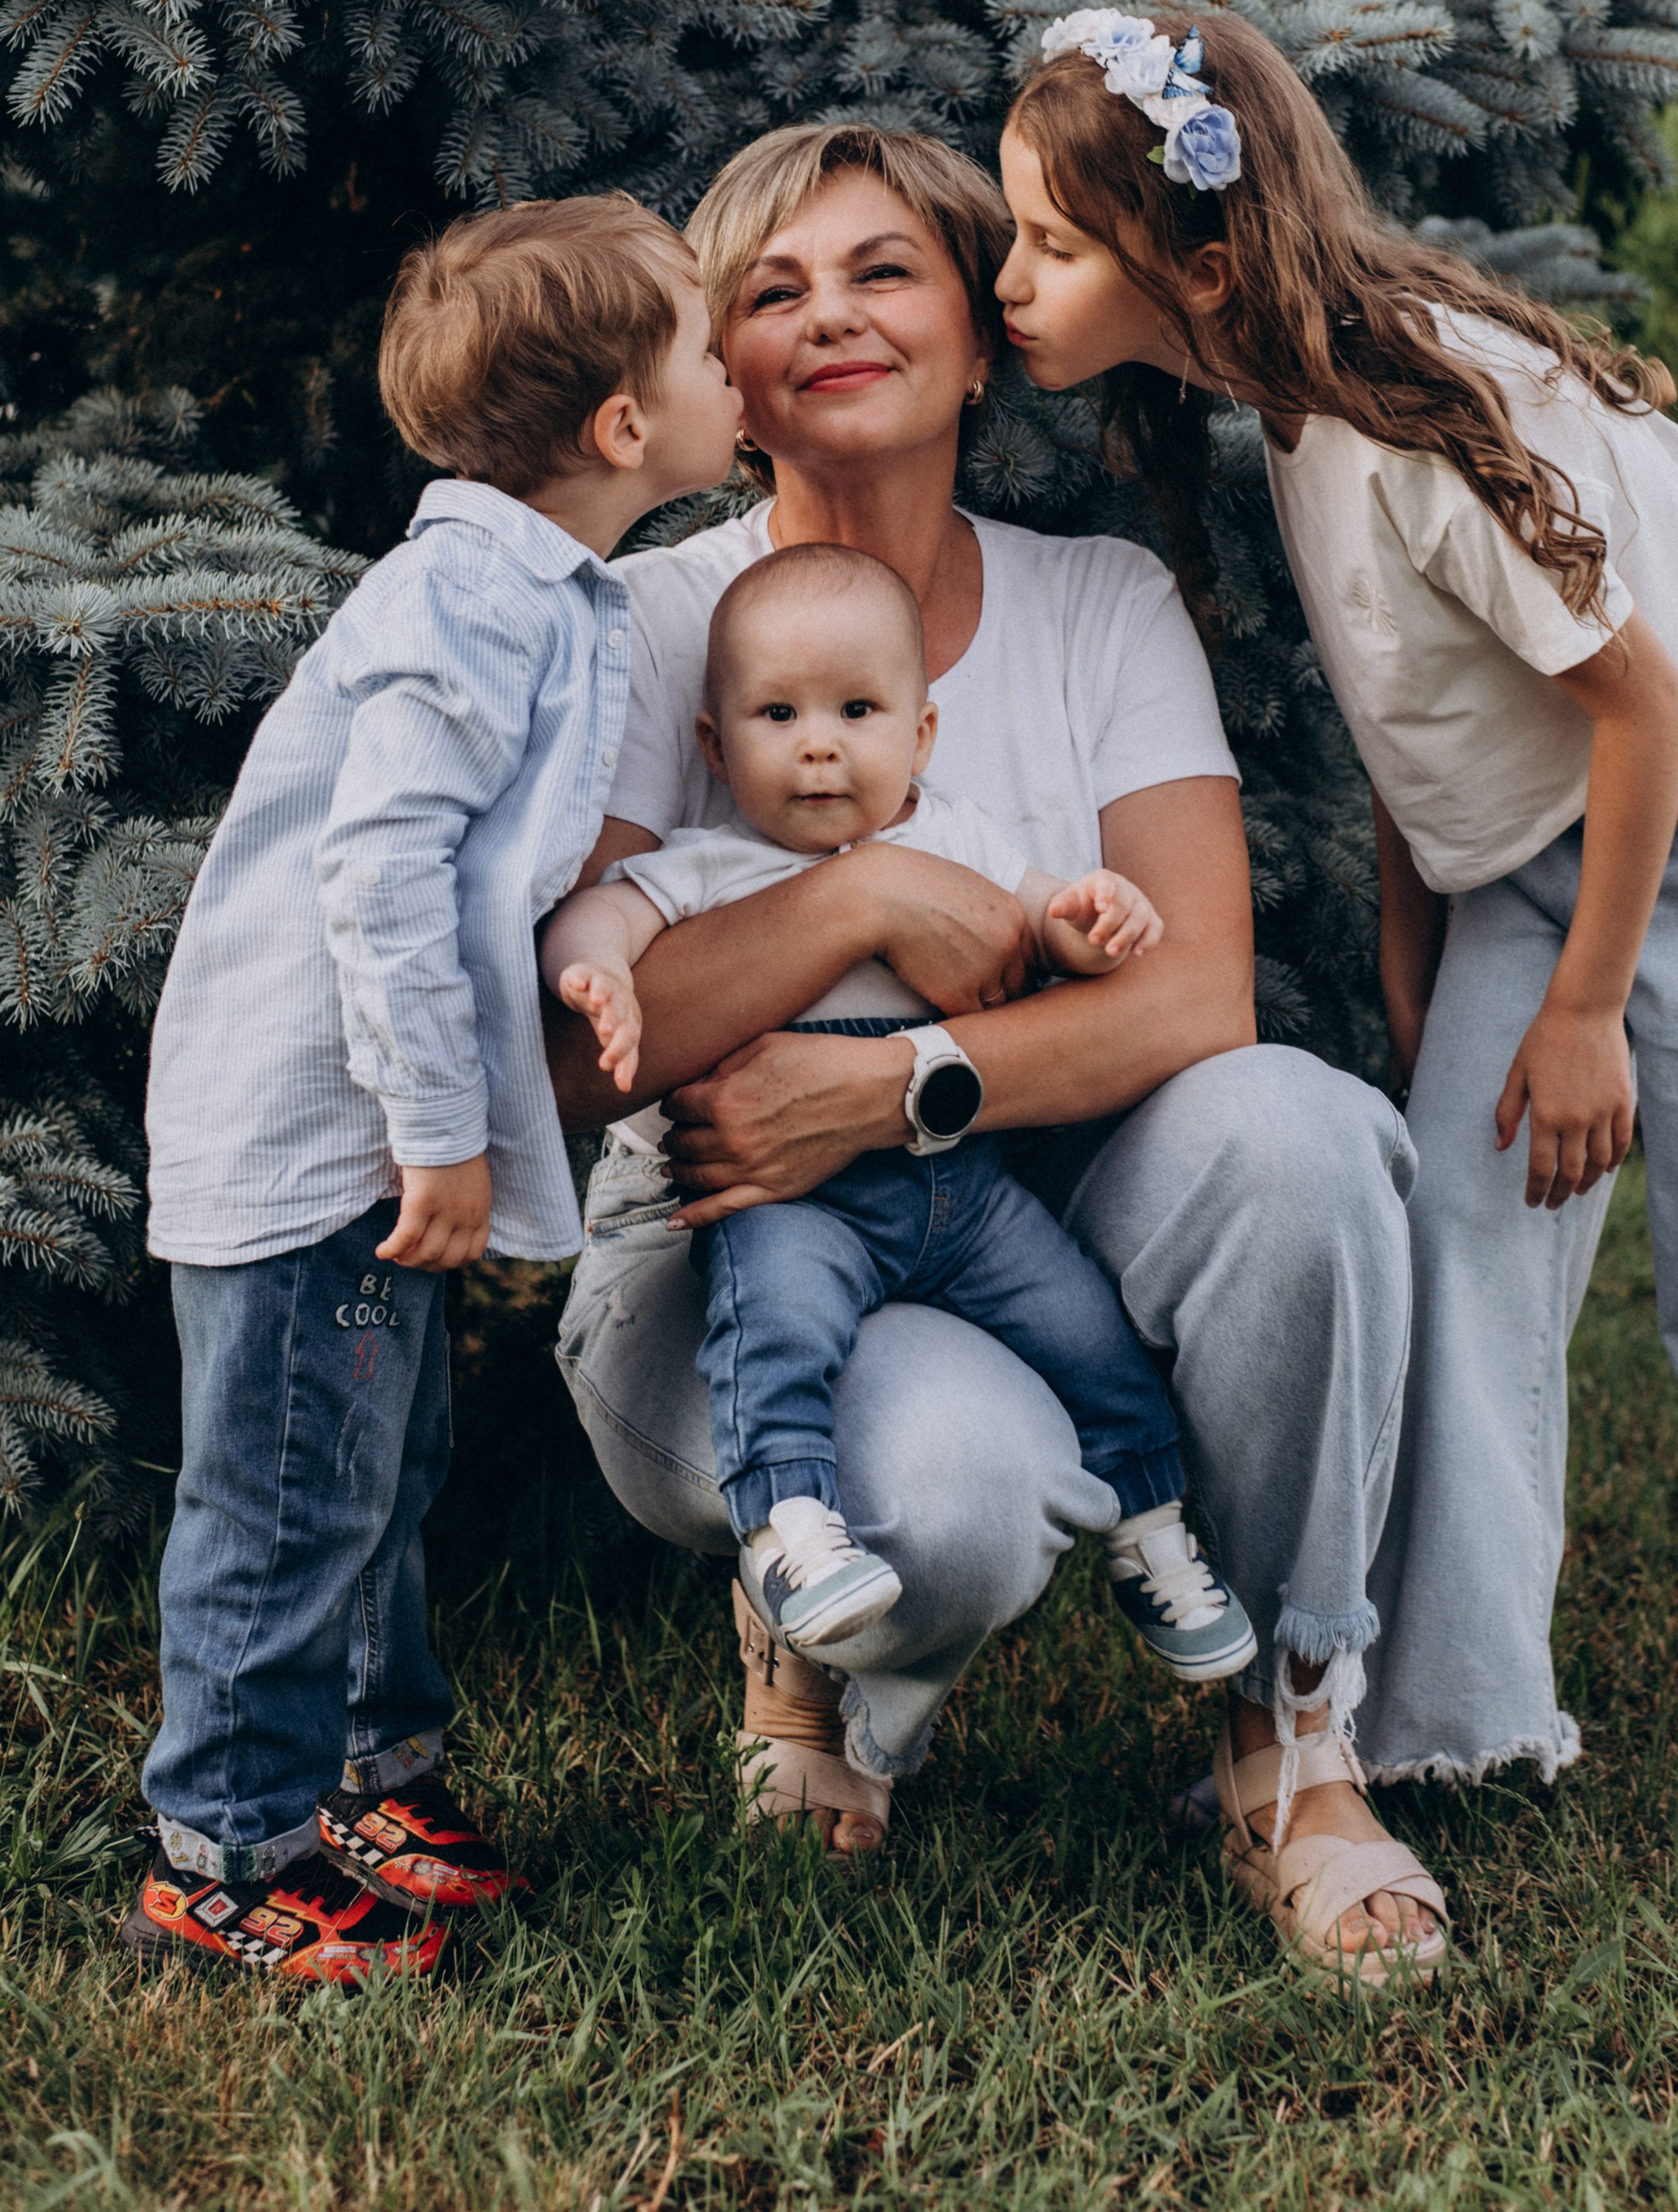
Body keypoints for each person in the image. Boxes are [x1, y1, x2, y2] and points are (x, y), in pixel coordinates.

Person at [992, 2, 1678, 1826]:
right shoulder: (1278, 413)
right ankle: (1432, 1707)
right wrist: (1433, 981)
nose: (1007, 274)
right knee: (1459, 1244)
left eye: (1045, 241)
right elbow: (1422, 729)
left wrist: (1582, 1014)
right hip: (1540, 858)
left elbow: (1639, 701)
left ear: (1192, 260)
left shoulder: (1405, 405)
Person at [547, 120, 1450, 1989]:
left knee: (1302, 1129)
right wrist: (861, 892)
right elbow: (585, 1069)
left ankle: (1286, 1737)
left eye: (884, 271)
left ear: (977, 328)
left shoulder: (1095, 604)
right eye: (774, 290)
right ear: (725, 362)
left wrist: (888, 1081)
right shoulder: (640, 626)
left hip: (1031, 1208)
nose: (835, 317)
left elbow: (1191, 1002)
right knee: (937, 1514)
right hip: (729, 1259)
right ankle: (820, 1665)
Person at [128, 196, 743, 1984]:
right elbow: (378, 866)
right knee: (289, 1493)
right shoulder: (469, 595)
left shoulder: (547, 590)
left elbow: (488, 866)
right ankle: (228, 1850)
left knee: (380, 1470)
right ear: (625, 428)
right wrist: (437, 1131)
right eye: (709, 351)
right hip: (322, 1138)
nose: (735, 379)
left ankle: (365, 1770)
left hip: (365, 1133)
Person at [541, 540, 1255, 1679]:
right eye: (778, 715)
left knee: (1090, 1336)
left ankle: (1151, 1530)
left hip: (963, 1190)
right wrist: (599, 974)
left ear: (920, 735)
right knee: (773, 1336)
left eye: (858, 710)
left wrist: (1094, 914)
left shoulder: (956, 837)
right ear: (717, 748)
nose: (820, 743)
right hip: (792, 1196)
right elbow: (604, 920)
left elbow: (1043, 917)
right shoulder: (712, 863)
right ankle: (791, 1531)